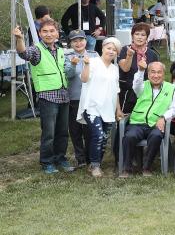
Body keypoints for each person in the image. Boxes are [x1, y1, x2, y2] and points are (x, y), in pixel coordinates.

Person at [15, 21, 76, 174]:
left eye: (51, 31)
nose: (48, 34)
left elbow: (66, 71)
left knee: (62, 131)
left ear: (57, 33)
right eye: (45, 31)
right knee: (49, 133)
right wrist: (19, 39)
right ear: (40, 33)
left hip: (63, 96)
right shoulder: (37, 50)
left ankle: (60, 157)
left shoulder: (61, 51)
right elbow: (23, 53)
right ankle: (47, 161)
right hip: (47, 97)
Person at [120, 61, 175, 177]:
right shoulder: (142, 86)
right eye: (153, 72)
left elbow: (174, 109)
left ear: (164, 74)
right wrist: (140, 71)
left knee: (156, 136)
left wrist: (163, 117)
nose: (156, 75)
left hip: (156, 124)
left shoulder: (172, 88)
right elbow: (136, 84)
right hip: (138, 123)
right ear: (148, 73)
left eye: (159, 72)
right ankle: (127, 168)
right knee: (130, 136)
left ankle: (147, 167)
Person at [77, 37, 123, 177]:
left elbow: (116, 91)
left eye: (114, 50)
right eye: (109, 48)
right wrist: (85, 65)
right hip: (92, 106)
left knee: (103, 138)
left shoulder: (115, 69)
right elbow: (84, 79)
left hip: (108, 108)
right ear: (102, 48)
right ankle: (95, 165)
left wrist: (118, 109)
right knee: (97, 135)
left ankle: (96, 162)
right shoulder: (92, 62)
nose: (111, 51)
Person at [63, 30, 97, 169]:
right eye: (75, 41)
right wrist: (73, 64)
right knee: (76, 130)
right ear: (71, 43)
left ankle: (90, 156)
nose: (78, 43)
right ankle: (80, 158)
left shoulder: (94, 55)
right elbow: (68, 75)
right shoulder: (66, 56)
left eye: (81, 40)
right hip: (74, 98)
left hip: (90, 98)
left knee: (89, 128)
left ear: (85, 41)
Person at [117, 23, 159, 115]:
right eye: (137, 34)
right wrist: (129, 55)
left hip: (145, 93)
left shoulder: (152, 54)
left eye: (143, 35)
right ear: (132, 36)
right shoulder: (125, 50)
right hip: (127, 92)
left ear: (147, 37)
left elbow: (156, 75)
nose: (139, 37)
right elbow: (125, 68)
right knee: (124, 120)